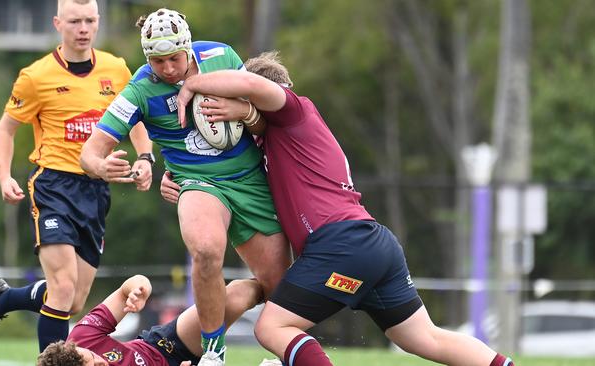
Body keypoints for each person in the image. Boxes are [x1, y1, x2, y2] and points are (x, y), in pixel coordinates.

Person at [160, 51, 515, 366]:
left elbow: (254, 90)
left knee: (272, 327)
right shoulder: (270, 143)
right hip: (371, 244)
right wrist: (182, 180)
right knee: (422, 338)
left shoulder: (293, 110)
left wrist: (194, 85)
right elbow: (224, 178)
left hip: (340, 244)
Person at [80, 8, 291, 365]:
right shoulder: (140, 89)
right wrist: (101, 166)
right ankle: (213, 354)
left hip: (251, 181)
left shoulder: (222, 57)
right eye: (157, 60)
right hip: (197, 183)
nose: (166, 68)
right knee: (206, 250)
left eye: (173, 58)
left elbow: (266, 125)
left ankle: (286, 358)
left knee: (281, 289)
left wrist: (242, 113)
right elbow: (90, 151)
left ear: (188, 47)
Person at [0, 0, 154, 352]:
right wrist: (2, 176)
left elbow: (136, 117)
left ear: (98, 22)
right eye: (74, 21)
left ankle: (4, 299)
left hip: (96, 190)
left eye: (89, 20)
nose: (82, 29)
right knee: (63, 287)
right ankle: (51, 363)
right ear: (58, 23)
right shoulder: (36, 77)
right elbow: (5, 130)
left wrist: (145, 157)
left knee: (72, 302)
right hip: (53, 186)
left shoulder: (115, 69)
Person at [37, 274, 264, 366]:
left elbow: (127, 287)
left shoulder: (81, 338)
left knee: (237, 294)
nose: (102, 362)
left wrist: (139, 289)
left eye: (93, 357)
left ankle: (291, 302)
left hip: (165, 345)